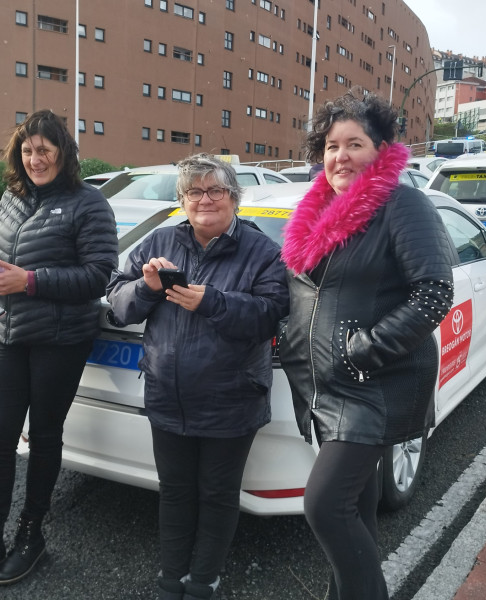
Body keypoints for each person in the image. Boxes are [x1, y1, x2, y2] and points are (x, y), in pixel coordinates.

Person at [278, 90, 456, 600]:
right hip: (321, 387)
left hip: (371, 383)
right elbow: (302, 293)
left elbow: (434, 293)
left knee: (324, 506)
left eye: (354, 144)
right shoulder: (316, 213)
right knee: (353, 510)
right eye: (332, 145)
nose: (341, 156)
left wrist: (366, 349)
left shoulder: (402, 203)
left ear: (380, 149)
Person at [0, 110, 118, 595]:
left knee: (43, 435)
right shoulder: (11, 198)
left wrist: (30, 281)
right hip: (8, 333)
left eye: (44, 150)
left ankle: (31, 532)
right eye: (27, 150)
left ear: (63, 153)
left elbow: (99, 275)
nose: (35, 159)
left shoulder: (89, 203)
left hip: (60, 339)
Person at [107, 153, 289, 600]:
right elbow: (116, 302)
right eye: (194, 192)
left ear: (234, 198)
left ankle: (204, 579)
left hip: (232, 398)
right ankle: (172, 579)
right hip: (167, 394)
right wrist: (147, 288)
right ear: (183, 200)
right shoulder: (159, 242)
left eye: (215, 190)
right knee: (174, 493)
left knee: (218, 494)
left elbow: (271, 316)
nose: (205, 199)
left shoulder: (262, 250)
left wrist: (214, 302)